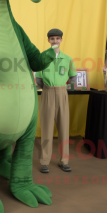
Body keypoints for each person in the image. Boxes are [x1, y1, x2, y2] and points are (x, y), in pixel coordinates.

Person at [35, 28, 77, 173]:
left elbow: (73, 76)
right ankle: (45, 161)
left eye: (57, 38)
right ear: (48, 40)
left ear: (61, 40)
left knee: (64, 128)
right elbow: (38, 79)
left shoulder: (68, 59)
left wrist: (62, 87)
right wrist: (48, 88)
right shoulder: (43, 58)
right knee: (46, 128)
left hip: (62, 93)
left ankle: (64, 161)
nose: (55, 41)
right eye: (52, 38)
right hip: (47, 92)